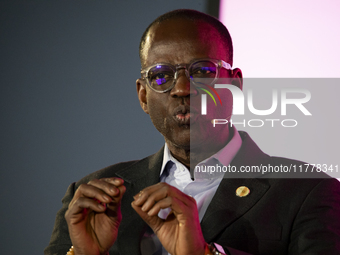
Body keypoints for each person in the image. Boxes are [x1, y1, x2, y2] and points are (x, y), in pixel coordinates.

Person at [45, 9, 340, 255]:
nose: (183, 89)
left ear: (235, 84)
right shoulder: (93, 197)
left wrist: (204, 253)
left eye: (203, 71)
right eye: (161, 76)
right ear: (143, 96)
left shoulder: (308, 190)